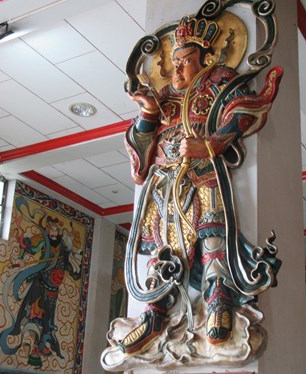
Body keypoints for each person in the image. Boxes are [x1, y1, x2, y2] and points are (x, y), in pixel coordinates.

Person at [119, 13, 282, 354]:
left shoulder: (219, 82)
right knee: (162, 242)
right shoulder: (164, 97)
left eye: (186, 62)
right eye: (175, 63)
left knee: (212, 230)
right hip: (164, 181)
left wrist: (209, 145)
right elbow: (141, 145)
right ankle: (155, 309)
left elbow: (242, 110)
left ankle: (219, 298)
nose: (177, 70)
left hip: (203, 173)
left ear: (205, 60)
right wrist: (148, 112)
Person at [0, 200, 83, 367]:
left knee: (48, 319)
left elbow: (68, 263)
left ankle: (41, 343)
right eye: (51, 229)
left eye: (56, 230)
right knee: (32, 313)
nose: (54, 232)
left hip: (53, 289)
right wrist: (23, 254)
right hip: (41, 283)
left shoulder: (63, 247)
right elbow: (32, 248)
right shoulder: (44, 242)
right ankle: (31, 342)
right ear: (48, 229)